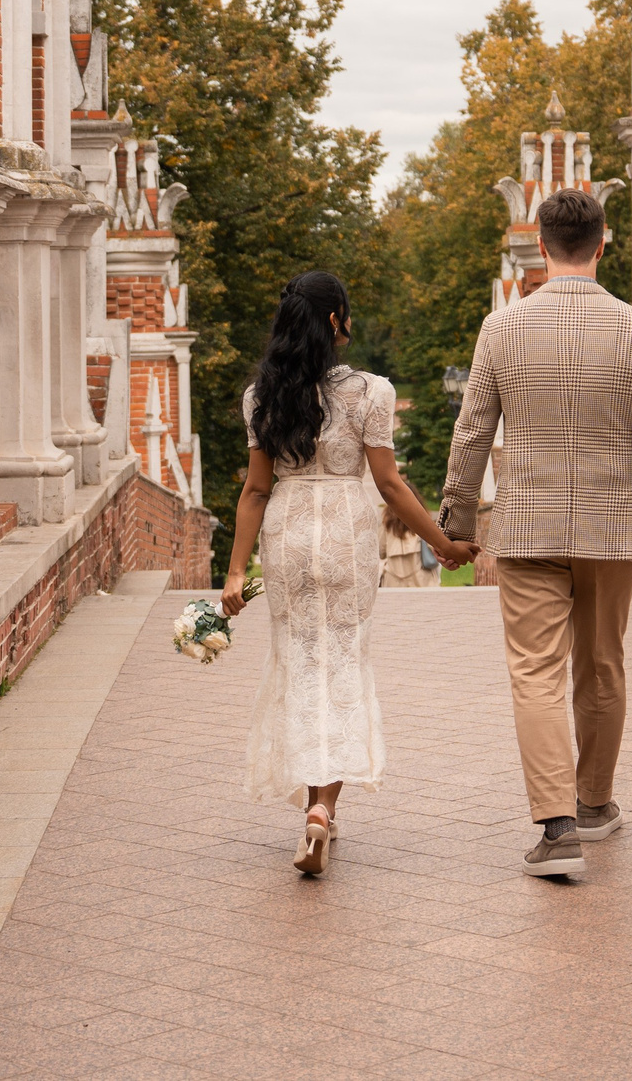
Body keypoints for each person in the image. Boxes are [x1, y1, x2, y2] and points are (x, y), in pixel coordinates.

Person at [440, 187, 632, 879]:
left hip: (525, 526)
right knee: (602, 664)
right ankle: (596, 802)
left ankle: (556, 824)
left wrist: (457, 517)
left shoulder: (502, 327)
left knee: (535, 672)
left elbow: (473, 429)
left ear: (541, 245)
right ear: (605, 242)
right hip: (608, 526)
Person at [222, 271, 476, 876]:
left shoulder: (263, 394)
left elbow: (255, 491)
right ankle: (321, 810)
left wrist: (235, 572)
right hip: (346, 534)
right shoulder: (369, 393)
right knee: (343, 661)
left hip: (286, 535)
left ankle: (314, 807)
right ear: (336, 321)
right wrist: (443, 543)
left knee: (300, 660)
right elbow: (388, 483)